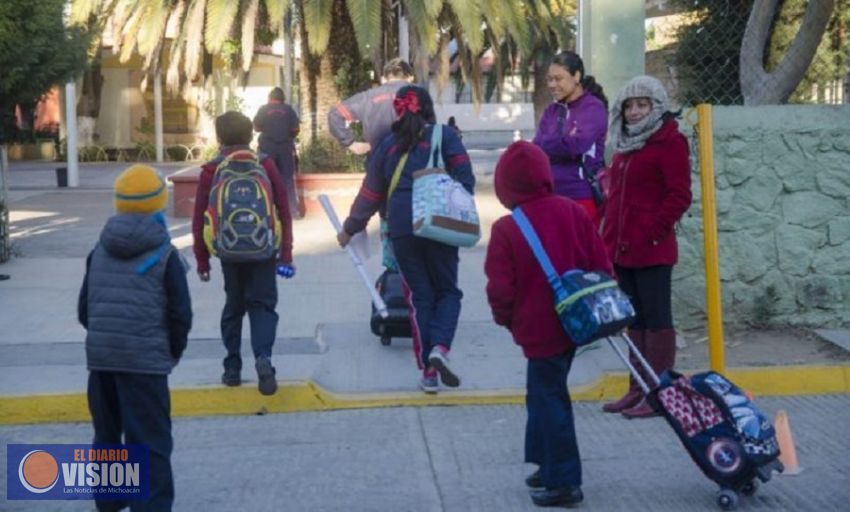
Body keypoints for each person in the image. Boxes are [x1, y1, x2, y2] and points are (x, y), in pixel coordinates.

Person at [484, 141, 612, 508]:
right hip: (575, 325)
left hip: (538, 329)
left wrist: (507, 321)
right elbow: (601, 265)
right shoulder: (572, 211)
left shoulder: (508, 229)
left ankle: (564, 481)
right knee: (542, 393)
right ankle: (546, 464)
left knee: (548, 398)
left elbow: (500, 289)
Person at [337, 85, 474, 394]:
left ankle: (428, 372)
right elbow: (466, 181)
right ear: (428, 109)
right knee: (448, 292)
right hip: (439, 224)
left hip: (401, 227)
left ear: (397, 111)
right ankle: (440, 348)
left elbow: (370, 194)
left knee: (421, 297)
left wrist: (349, 228)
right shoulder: (446, 137)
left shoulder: (387, 145)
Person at [78, 164, 192, 512]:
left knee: (108, 437)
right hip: (145, 364)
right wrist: (171, 352)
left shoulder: (99, 249)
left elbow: (84, 310)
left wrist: (106, 340)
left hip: (102, 361)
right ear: (158, 203)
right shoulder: (165, 254)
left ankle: (110, 502)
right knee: (150, 442)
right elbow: (180, 315)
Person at [600, 75, 692, 418]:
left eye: (642, 105)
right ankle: (637, 388)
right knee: (634, 322)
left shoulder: (670, 142)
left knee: (656, 321)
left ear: (657, 106)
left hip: (652, 250)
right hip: (624, 250)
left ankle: (658, 394)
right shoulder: (624, 146)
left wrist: (653, 232)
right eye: (629, 106)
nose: (635, 112)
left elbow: (679, 195)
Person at [192, 111, 295, 395]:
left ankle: (232, 367)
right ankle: (263, 358)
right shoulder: (265, 165)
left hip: (229, 251)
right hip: (263, 250)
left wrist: (202, 259)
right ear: (251, 136)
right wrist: (285, 255)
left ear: (219, 137)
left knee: (234, 306)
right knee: (262, 306)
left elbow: (199, 217)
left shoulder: (211, 170)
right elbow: (284, 212)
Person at [532, 51, 608, 220]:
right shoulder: (551, 111)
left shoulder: (593, 108)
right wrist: (561, 142)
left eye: (558, 79)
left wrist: (548, 142)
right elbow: (536, 148)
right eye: (549, 80)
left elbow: (578, 145)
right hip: (550, 195)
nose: (552, 85)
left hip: (580, 194)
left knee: (580, 247)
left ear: (577, 76)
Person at [328, 58, 414, 156]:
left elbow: (335, 114)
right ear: (410, 78)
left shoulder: (367, 98)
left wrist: (350, 143)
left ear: (383, 79)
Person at [253, 87, 300, 218]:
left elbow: (256, 127)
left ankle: (267, 212)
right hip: (285, 148)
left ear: (270, 98)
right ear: (282, 98)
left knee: (266, 179)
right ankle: (292, 212)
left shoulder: (263, 109)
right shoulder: (288, 109)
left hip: (267, 149)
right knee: (288, 179)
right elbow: (296, 129)